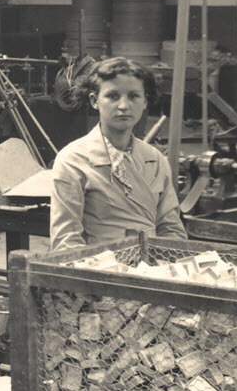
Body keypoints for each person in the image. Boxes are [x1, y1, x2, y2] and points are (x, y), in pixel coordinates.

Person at [49, 56, 187, 252]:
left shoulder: (155, 160)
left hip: (156, 268)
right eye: (113, 96)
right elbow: (65, 242)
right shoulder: (73, 160)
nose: (124, 106)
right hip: (99, 271)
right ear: (94, 101)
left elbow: (172, 231)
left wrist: (163, 266)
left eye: (133, 96)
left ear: (145, 102)